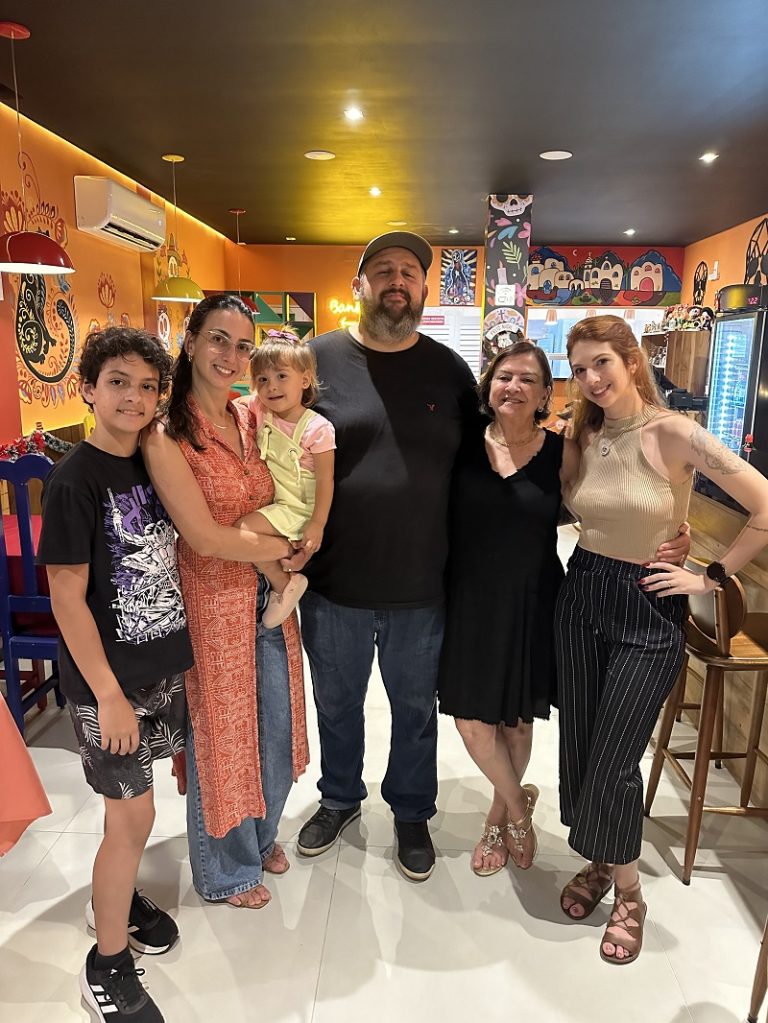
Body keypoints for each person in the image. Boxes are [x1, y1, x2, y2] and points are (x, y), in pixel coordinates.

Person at [557, 313, 768, 965]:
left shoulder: (673, 431)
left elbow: (764, 502)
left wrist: (708, 574)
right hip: (582, 590)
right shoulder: (584, 431)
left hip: (648, 605)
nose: (592, 379)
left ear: (631, 360)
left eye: (602, 363)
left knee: (616, 758)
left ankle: (629, 893)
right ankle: (601, 859)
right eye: (580, 368)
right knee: (582, 742)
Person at [437, 341, 688, 876]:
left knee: (516, 722)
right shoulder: (461, 443)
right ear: (488, 384)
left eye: (528, 379)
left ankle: (498, 817)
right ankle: (519, 809)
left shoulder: (562, 451)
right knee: (471, 722)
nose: (514, 386)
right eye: (504, 376)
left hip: (536, 597)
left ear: (545, 394)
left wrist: (673, 532)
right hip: (470, 599)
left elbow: (607, 505)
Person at [292, 231, 480, 881]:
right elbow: (273, 447)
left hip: (422, 582)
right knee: (336, 704)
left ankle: (411, 811)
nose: (397, 280)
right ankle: (340, 798)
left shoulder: (450, 372)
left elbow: (484, 467)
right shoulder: (316, 360)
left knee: (415, 710)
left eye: (409, 271)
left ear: (425, 288)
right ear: (360, 286)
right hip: (333, 582)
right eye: (383, 270)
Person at [37, 326, 194, 1023]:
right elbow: (66, 596)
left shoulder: (153, 463)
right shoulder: (75, 480)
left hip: (159, 666)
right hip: (110, 684)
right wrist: (107, 694)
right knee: (133, 817)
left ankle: (118, 898)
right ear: (89, 390)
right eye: (118, 382)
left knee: (130, 811)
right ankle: (106, 964)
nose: (133, 397)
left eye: (147, 385)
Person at [143, 293, 308, 911]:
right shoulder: (166, 433)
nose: (231, 356)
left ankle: (259, 836)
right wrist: (284, 544)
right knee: (224, 735)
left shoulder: (250, 415)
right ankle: (224, 869)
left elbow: (286, 489)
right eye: (218, 339)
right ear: (190, 342)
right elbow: (205, 537)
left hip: (270, 598)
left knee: (276, 729)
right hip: (212, 600)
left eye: (243, 346)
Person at [238, 328, 335, 628]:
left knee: (242, 530)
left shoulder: (317, 428)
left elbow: (326, 480)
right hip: (279, 503)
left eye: (281, 376)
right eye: (262, 379)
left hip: (299, 508)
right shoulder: (260, 409)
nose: (272, 386)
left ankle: (284, 584)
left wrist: (317, 523)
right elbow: (235, 405)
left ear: (304, 380)